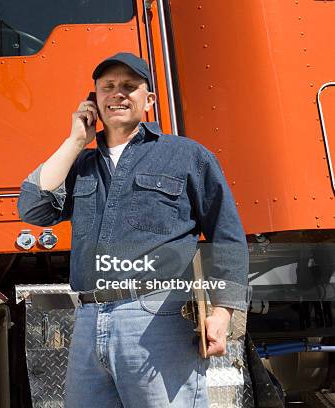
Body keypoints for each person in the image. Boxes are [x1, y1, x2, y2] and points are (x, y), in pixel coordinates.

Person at [17, 52, 250, 407]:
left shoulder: (186, 156)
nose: (118, 94)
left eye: (129, 86)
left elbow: (228, 236)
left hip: (158, 318)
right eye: (107, 87)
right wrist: (75, 141)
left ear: (149, 99)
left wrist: (223, 313)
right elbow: (33, 209)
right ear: (93, 100)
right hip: (89, 319)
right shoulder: (80, 166)